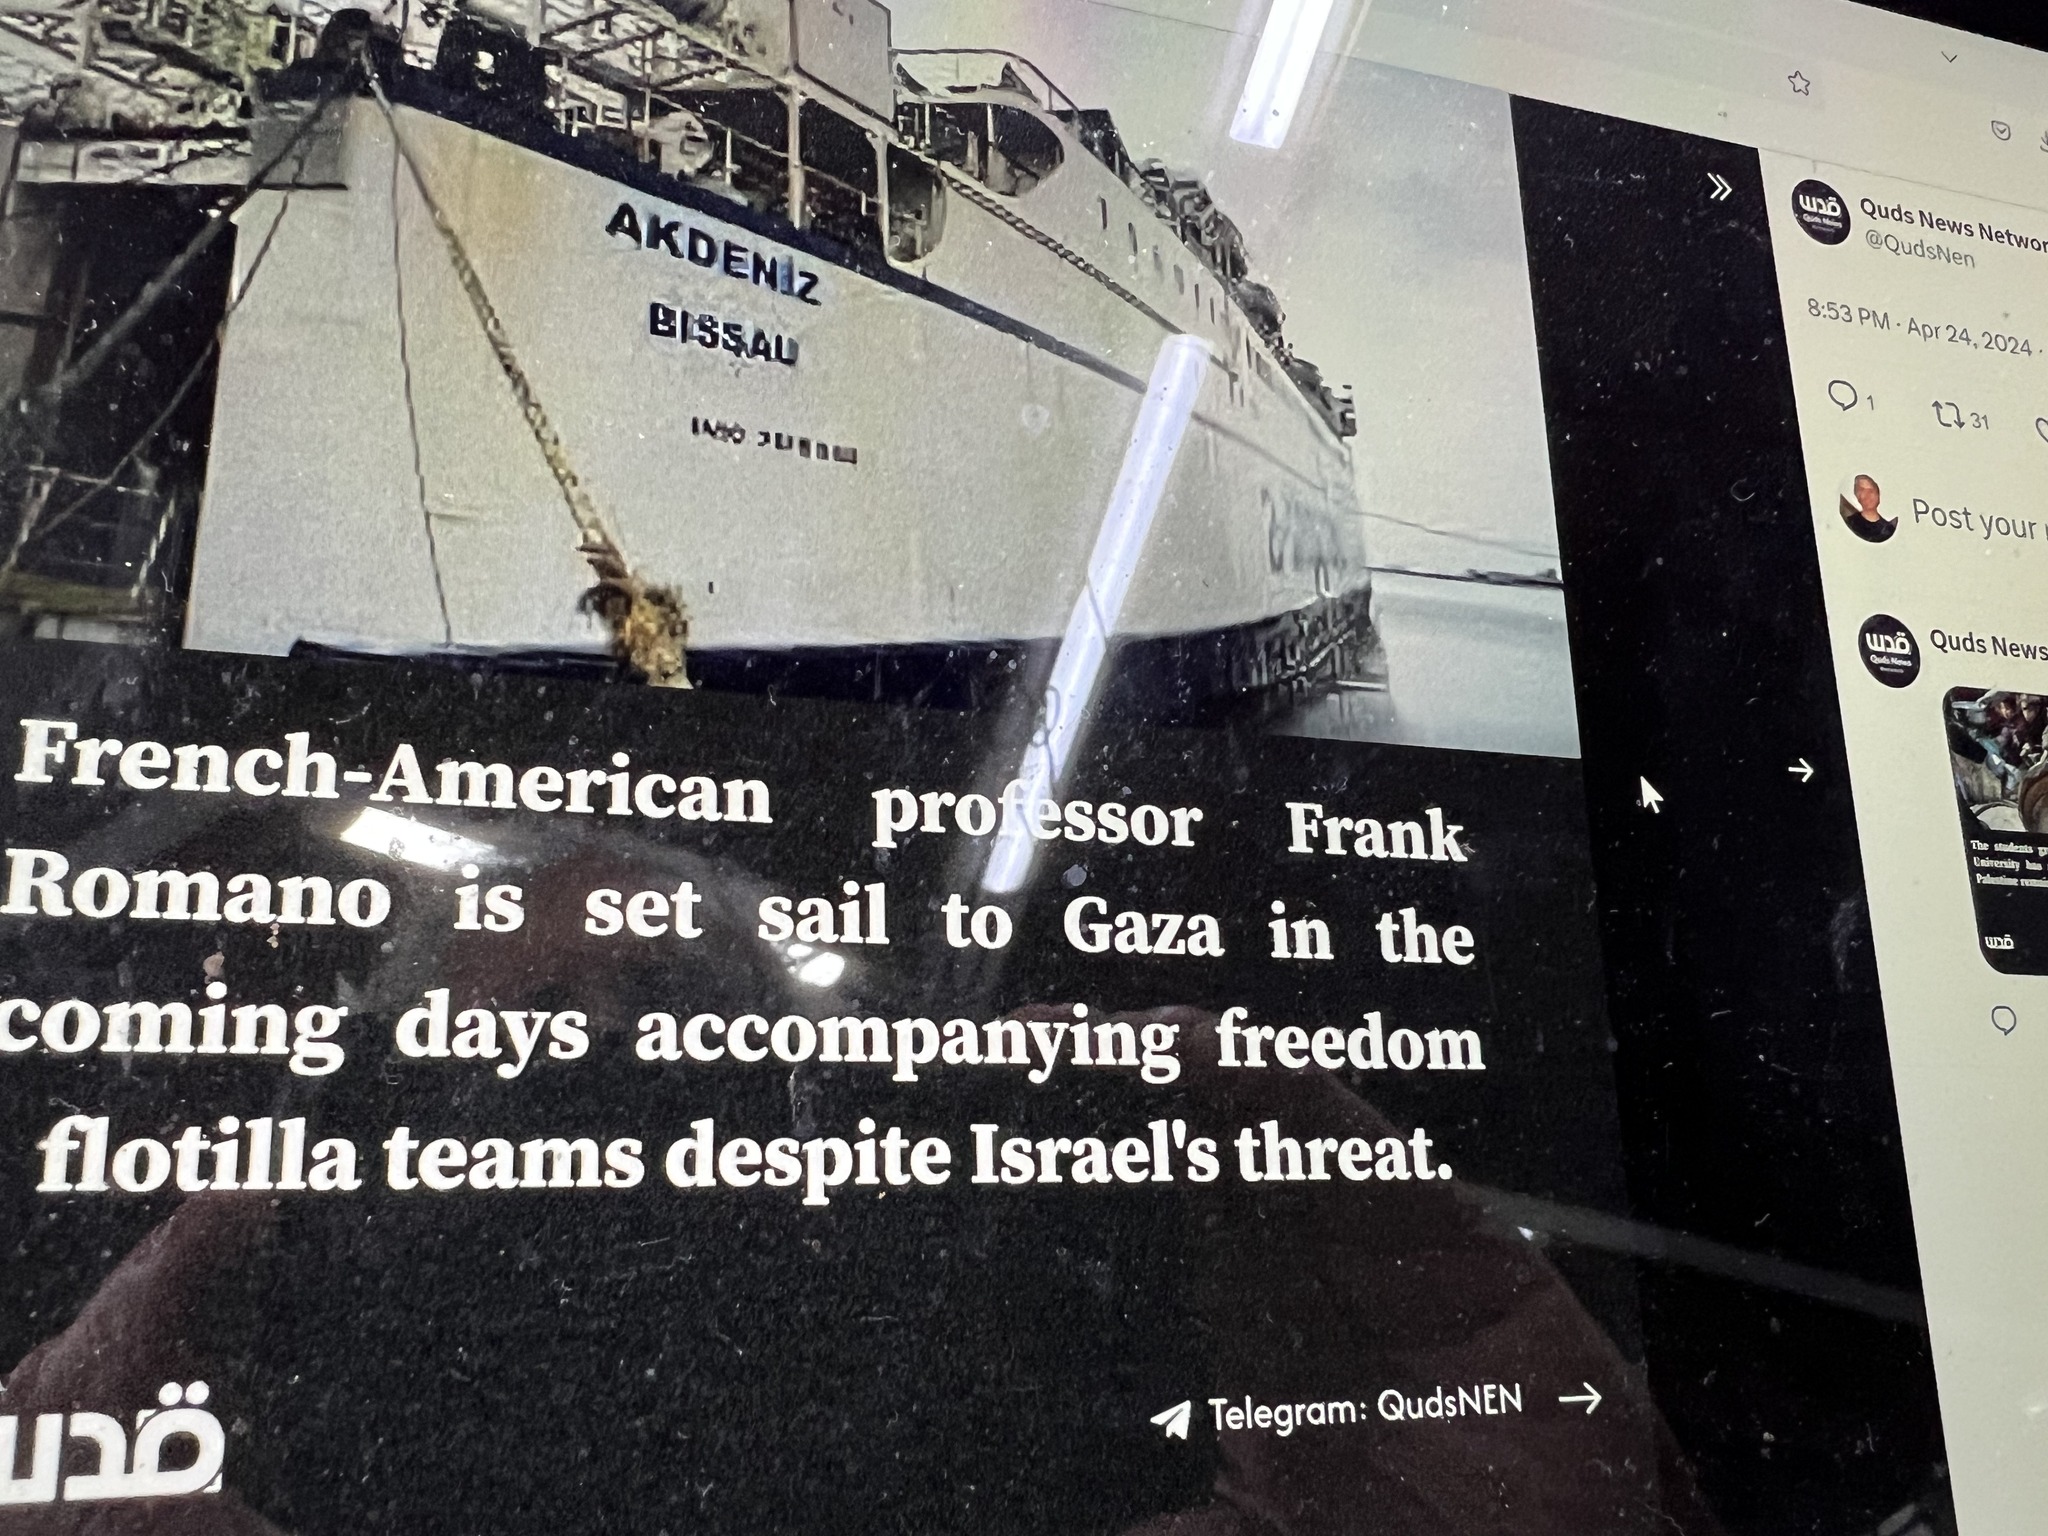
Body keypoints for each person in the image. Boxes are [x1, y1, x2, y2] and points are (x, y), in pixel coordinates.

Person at [1839, 474, 1895, 542]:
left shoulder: (1888, 529)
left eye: (1871, 491)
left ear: (1878, 495)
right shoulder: (1852, 522)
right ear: (1857, 496)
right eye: (1862, 491)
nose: (1867, 495)